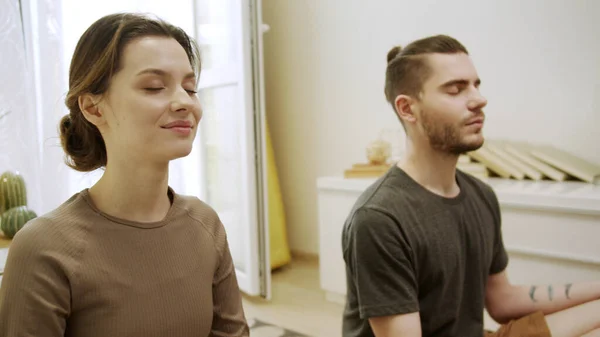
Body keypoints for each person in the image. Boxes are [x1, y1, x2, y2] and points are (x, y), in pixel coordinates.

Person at [0, 13, 249, 337]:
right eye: (154, 86)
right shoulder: (43, 249)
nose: (184, 102)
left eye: (190, 88)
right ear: (93, 108)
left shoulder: (205, 225)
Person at [341, 34, 600, 337]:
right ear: (408, 109)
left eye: (476, 85)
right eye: (456, 89)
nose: (479, 99)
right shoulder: (379, 218)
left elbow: (503, 300)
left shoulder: (481, 195)